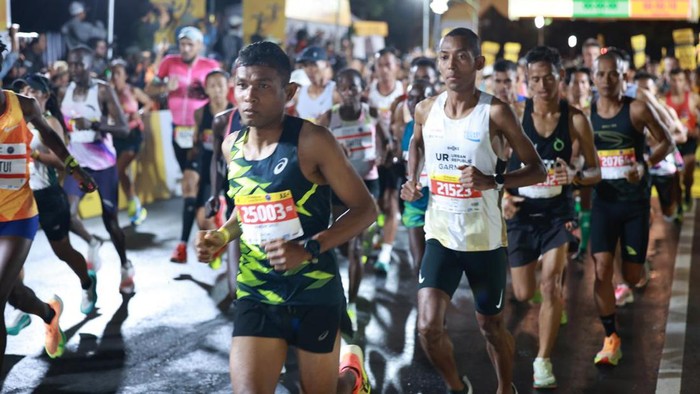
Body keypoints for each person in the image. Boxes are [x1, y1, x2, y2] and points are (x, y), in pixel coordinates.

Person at [195, 41, 374, 394]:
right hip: (256, 292)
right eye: (242, 85)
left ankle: (351, 377)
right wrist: (222, 235)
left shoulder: (312, 140)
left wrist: (308, 248)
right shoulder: (232, 146)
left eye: (263, 85)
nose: (249, 96)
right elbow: (245, 208)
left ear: (288, 92)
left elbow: (366, 209)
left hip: (313, 292)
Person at [401, 28, 546, 394]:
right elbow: (416, 143)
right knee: (428, 328)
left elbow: (537, 169)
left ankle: (504, 386)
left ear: (478, 62)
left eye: (462, 56)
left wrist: (495, 180)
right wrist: (412, 179)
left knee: (491, 328)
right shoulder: (425, 110)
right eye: (445, 56)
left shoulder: (495, 112)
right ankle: (457, 387)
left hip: (484, 241)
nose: (452, 64)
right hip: (441, 236)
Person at [503, 46, 601, 389]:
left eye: (549, 78)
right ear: (526, 82)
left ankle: (542, 361)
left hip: (558, 215)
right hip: (523, 215)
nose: (542, 85)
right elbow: (496, 164)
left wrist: (573, 175)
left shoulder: (576, 120)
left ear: (561, 78)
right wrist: (503, 196)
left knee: (550, 284)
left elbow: (594, 171)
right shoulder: (514, 115)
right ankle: (550, 303)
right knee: (523, 290)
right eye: (535, 79)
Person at [0, 38, 96, 373]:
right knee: (13, 294)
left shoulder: (24, 106)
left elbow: (51, 136)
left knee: (2, 293)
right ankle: (47, 313)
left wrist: (75, 168)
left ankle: (86, 281)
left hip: (17, 214)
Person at [589, 51, 673, 366]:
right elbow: (578, 157)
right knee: (600, 270)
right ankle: (611, 337)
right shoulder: (586, 115)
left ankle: (636, 270)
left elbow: (666, 142)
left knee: (632, 275)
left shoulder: (637, 109)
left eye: (615, 74)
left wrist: (645, 162)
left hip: (635, 205)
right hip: (603, 204)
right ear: (594, 78)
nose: (608, 80)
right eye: (602, 74)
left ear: (625, 77)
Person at [18, 73, 98, 314]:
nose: (27, 95)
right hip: (20, 198)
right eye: (23, 91)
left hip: (48, 195)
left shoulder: (50, 122)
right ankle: (20, 305)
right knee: (14, 255)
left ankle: (87, 282)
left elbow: (62, 163)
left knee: (63, 251)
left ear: (44, 96)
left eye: (32, 91)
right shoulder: (14, 121)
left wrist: (36, 156)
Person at [59, 45, 134, 293]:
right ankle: (92, 243)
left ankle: (125, 266)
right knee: (67, 216)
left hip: (104, 165)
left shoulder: (102, 90)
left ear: (91, 65)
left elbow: (123, 128)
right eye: (71, 63)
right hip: (78, 166)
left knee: (110, 221)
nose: (74, 69)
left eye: (79, 64)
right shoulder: (65, 90)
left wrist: (94, 124)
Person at [317, 68, 379, 330]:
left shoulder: (371, 113)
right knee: (338, 244)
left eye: (353, 87)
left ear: (361, 88)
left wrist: (384, 153)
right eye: (343, 88)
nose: (348, 92)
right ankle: (335, 295)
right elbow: (313, 148)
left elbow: (386, 140)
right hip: (339, 186)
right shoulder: (328, 118)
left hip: (367, 184)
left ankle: (350, 303)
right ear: (338, 91)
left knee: (355, 247)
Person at [152, 26, 219, 263]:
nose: (185, 48)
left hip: (202, 133)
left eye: (190, 44)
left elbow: (223, 91)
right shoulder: (169, 62)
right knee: (195, 189)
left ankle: (183, 245)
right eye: (182, 44)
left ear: (199, 46)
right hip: (178, 131)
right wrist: (162, 89)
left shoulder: (210, 67)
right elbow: (150, 88)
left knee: (190, 186)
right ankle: (210, 233)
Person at [191, 69, 234, 269]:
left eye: (220, 85)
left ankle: (235, 258)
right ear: (206, 89)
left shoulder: (238, 115)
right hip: (210, 169)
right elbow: (195, 143)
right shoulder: (200, 113)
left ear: (228, 87)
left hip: (234, 171)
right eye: (212, 85)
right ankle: (217, 247)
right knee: (202, 217)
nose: (217, 90)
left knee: (237, 220)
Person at [368, 48, 405, 272]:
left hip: (396, 157)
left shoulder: (403, 93)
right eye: (379, 65)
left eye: (387, 65)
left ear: (396, 68)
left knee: (391, 202)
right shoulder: (368, 92)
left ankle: (385, 253)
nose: (383, 70)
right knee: (377, 203)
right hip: (373, 157)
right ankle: (379, 235)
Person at [399, 80, 436, 275]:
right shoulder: (407, 128)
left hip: (440, 200)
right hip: (414, 199)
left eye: (421, 98)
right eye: (411, 98)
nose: (415, 103)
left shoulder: (443, 127)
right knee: (418, 264)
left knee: (436, 263)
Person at [110, 59, 152, 226]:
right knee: (122, 171)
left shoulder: (133, 91)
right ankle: (134, 204)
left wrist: (140, 112)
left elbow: (149, 102)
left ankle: (133, 202)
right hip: (116, 135)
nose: (114, 76)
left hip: (133, 134)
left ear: (125, 75)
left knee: (120, 168)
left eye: (118, 73)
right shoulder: (108, 94)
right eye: (111, 73)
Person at [665, 68, 699, 211]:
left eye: (680, 80)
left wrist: (697, 128)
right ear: (669, 81)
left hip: (689, 141)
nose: (677, 83)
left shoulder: (693, 98)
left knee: (688, 175)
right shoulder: (663, 100)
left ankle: (688, 192)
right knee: (674, 177)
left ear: (684, 81)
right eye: (674, 80)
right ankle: (678, 204)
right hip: (673, 143)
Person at [294, 46, 336, 123]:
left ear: (326, 64)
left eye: (313, 64)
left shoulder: (335, 90)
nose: (309, 70)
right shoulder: (299, 94)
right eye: (305, 65)